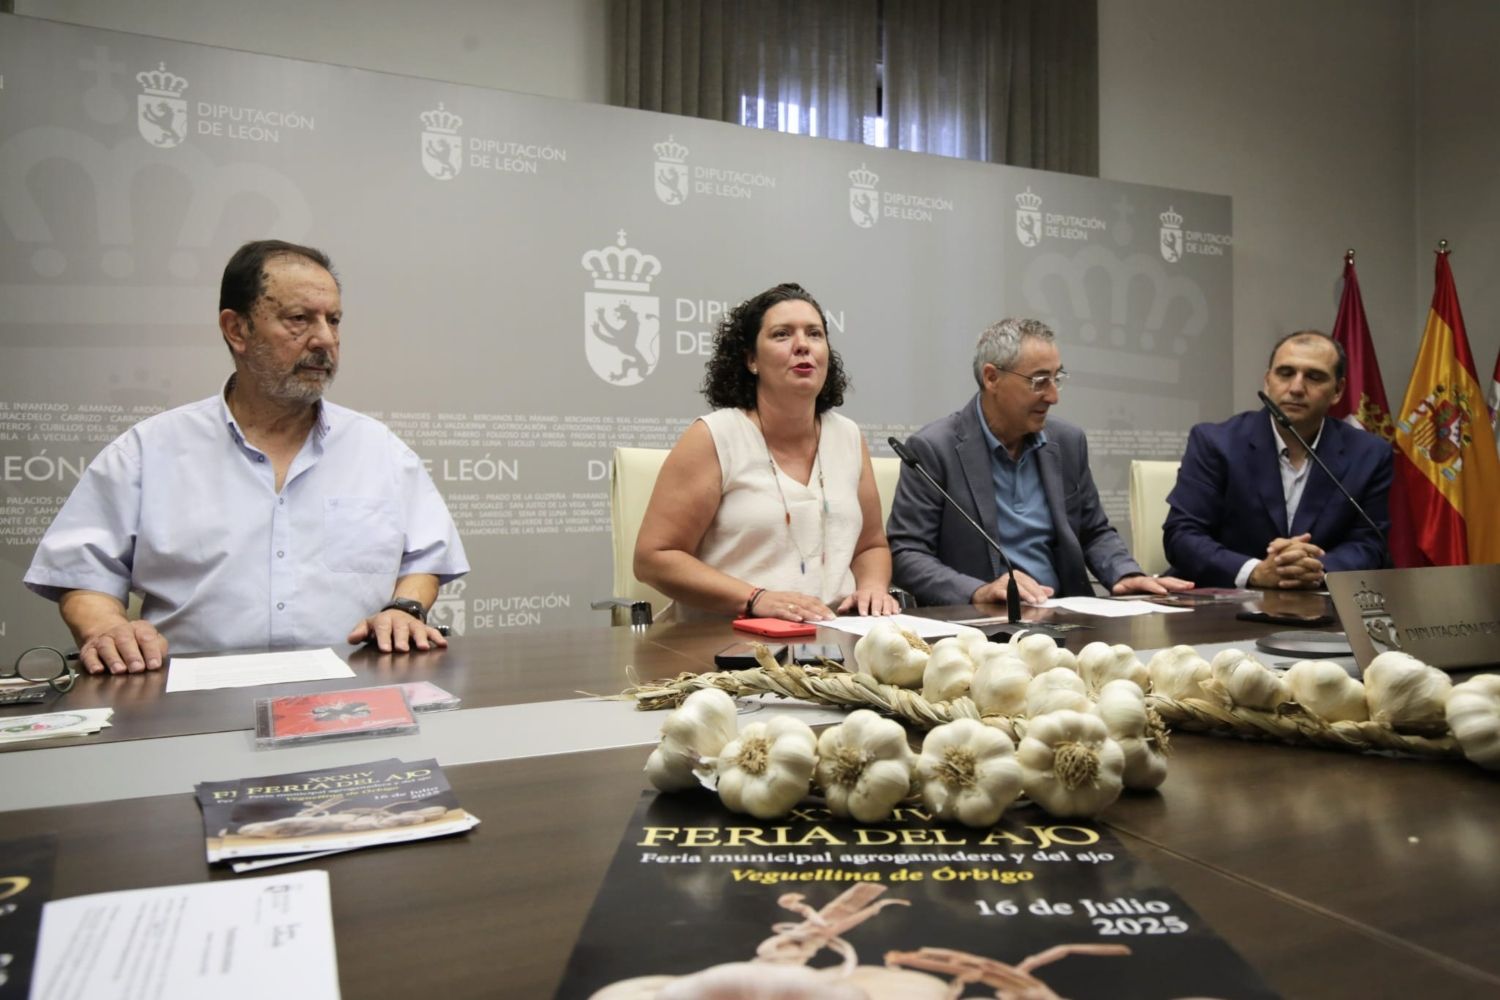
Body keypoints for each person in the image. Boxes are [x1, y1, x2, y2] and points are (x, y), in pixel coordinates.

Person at [25, 240, 468, 673]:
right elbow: (83, 573)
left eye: (333, 320)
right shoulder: (147, 451)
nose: (325, 339)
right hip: (189, 710)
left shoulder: (380, 450)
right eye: (299, 319)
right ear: (237, 329)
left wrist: (404, 608)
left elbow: (425, 560)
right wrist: (106, 627)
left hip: (352, 698)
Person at [634, 283, 900, 622]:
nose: (803, 345)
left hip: (834, 640)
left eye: (815, 334)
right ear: (751, 360)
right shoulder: (715, 437)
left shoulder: (847, 436)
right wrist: (755, 598)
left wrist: (874, 588)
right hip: (728, 643)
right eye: (782, 335)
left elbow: (870, 546)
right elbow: (654, 558)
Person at [887, 318, 1193, 606]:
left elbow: (1093, 531)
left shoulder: (1067, 441)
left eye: (1057, 378)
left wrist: (1125, 573)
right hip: (981, 627)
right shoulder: (934, 448)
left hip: (1065, 615)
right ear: (992, 378)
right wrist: (978, 590)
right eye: (1039, 381)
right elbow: (907, 554)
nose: (1053, 396)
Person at [1163, 330, 1391, 588]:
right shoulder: (1215, 442)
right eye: (1285, 373)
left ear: (1338, 391)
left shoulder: (1370, 453)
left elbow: (1369, 543)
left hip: (1318, 605)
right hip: (1223, 602)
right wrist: (1256, 572)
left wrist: (1315, 570)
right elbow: (1182, 536)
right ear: (1267, 381)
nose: (1296, 388)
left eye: (1314, 377)